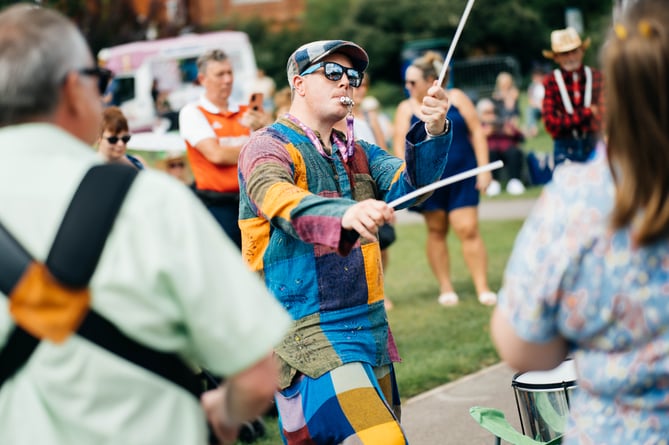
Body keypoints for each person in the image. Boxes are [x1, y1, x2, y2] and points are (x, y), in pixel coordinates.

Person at [0, 5, 292, 445]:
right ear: (72, 89)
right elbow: (255, 376)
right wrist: (224, 412)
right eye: (100, 84)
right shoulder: (149, 200)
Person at [238, 40, 452, 444]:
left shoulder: (359, 151)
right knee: (383, 440)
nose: (347, 84)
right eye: (333, 73)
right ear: (298, 84)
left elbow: (412, 186)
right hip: (304, 332)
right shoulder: (266, 146)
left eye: (353, 77)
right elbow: (275, 197)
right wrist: (345, 214)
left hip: (369, 327)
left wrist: (435, 128)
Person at [491, 0, 669, 442]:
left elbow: (522, 345)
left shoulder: (577, 199)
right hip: (573, 145)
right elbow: (554, 120)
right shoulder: (556, 90)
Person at [394, 51, 496, 307]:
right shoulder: (405, 109)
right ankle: (446, 287)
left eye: (412, 82)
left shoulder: (457, 98)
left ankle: (482, 287)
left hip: (463, 172)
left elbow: (477, 132)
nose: (408, 87)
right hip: (428, 181)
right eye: (406, 83)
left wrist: (485, 169)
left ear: (431, 80)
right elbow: (398, 148)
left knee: (468, 228)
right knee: (436, 230)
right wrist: (409, 182)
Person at [179, 49, 270, 249]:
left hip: (255, 201)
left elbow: (271, 155)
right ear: (203, 79)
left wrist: (266, 128)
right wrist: (257, 145)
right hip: (218, 205)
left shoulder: (249, 110)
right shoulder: (192, 112)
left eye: (230, 73)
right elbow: (216, 155)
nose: (228, 80)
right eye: (220, 74)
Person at [333, 73, 397, 309]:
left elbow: (382, 149)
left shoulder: (370, 118)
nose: (357, 89)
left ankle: (381, 286)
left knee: (382, 241)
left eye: (361, 85)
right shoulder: (338, 117)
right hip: (350, 187)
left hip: (372, 182)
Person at [542, 27, 603, 167]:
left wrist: (566, 119)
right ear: (556, 57)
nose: (570, 57)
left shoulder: (597, 77)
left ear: (582, 51)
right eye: (564, 54)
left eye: (574, 51)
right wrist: (587, 112)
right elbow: (551, 123)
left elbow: (603, 116)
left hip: (593, 142)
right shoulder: (551, 81)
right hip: (565, 146)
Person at [477, 98, 526, 196]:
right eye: (487, 112)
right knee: (490, 153)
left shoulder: (503, 122)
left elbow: (521, 137)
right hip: (490, 151)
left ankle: (515, 181)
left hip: (507, 149)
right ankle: (493, 183)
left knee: (514, 153)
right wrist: (485, 133)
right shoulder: (477, 126)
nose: (491, 115)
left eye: (493, 112)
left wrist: (511, 132)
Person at [524, 66, 545, 137]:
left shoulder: (547, 85)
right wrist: (539, 106)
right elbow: (531, 101)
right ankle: (533, 129)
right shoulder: (532, 87)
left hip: (547, 107)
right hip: (537, 108)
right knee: (529, 110)